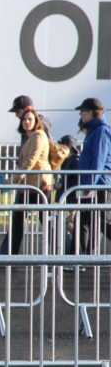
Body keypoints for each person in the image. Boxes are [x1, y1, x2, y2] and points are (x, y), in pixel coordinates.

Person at [0, 107, 52, 255]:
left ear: (36, 121)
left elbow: (31, 160)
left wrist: (14, 179)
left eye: (30, 119)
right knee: (18, 219)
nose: (26, 122)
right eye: (24, 119)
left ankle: (61, 253)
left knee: (48, 222)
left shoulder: (38, 136)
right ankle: (8, 254)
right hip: (29, 184)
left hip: (40, 184)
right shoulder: (30, 137)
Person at [74, 97, 111, 254]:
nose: (81, 115)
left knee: (103, 221)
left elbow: (99, 160)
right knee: (82, 221)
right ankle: (81, 258)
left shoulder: (101, 130)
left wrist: (90, 183)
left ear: (90, 112)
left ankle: (83, 258)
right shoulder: (93, 131)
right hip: (91, 182)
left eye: (83, 111)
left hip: (99, 184)